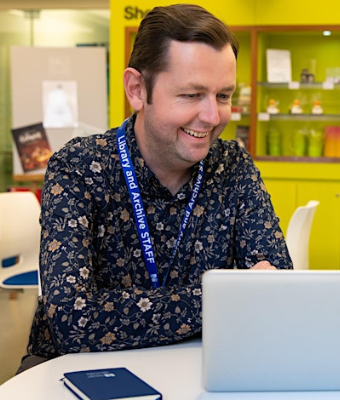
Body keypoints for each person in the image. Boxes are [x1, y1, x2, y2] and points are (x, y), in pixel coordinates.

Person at [18, 4, 292, 372]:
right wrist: (226, 298)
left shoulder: (233, 167)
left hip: (202, 366)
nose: (212, 117)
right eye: (192, 95)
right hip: (78, 371)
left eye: (223, 96)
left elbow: (277, 290)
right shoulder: (79, 168)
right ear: (137, 89)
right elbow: (72, 321)